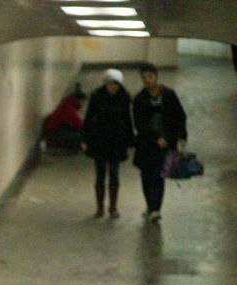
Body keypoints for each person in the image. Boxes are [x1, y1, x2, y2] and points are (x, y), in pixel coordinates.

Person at [133, 63, 187, 222]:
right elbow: (139, 124)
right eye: (144, 78)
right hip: (146, 144)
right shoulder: (139, 99)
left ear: (156, 76)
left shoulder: (169, 95)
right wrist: (156, 138)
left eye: (150, 76)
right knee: (146, 176)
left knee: (159, 176)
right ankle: (150, 205)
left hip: (166, 144)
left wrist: (180, 135)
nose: (147, 80)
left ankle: (156, 208)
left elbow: (179, 115)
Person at [81, 69, 133, 218]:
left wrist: (130, 143)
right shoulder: (97, 96)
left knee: (114, 174)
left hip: (117, 141)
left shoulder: (123, 98)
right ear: (106, 83)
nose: (113, 87)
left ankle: (113, 207)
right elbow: (89, 118)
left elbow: (127, 121)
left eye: (116, 84)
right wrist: (85, 139)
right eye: (111, 83)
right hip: (100, 140)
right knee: (100, 175)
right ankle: (99, 207)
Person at [44, 83, 86, 150]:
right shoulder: (68, 109)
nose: (82, 103)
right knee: (81, 137)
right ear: (78, 100)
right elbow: (79, 124)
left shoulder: (67, 105)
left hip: (53, 133)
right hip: (53, 136)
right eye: (82, 101)